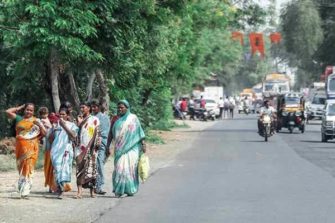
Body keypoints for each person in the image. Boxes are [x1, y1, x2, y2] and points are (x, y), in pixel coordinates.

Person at [6, 103, 46, 197]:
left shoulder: (35, 120)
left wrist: (40, 125)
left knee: (28, 167)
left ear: (33, 112)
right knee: (21, 168)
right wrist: (19, 107)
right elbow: (8, 112)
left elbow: (44, 133)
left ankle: (26, 190)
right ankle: (21, 188)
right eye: (27, 109)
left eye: (31, 110)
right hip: (19, 148)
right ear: (25, 110)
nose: (29, 111)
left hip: (31, 149)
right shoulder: (19, 119)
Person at [109, 100, 146, 197]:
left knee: (127, 169)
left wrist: (143, 143)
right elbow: (112, 135)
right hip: (119, 150)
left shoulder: (133, 118)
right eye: (119, 108)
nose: (120, 109)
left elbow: (140, 132)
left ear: (127, 108)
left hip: (132, 148)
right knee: (119, 169)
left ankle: (129, 189)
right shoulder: (117, 121)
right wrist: (108, 146)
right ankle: (119, 189)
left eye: (122, 107)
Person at [49, 107, 78, 199]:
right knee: (57, 169)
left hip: (66, 150)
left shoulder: (72, 125)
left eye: (63, 114)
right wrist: (52, 130)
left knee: (63, 169)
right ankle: (59, 187)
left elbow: (73, 136)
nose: (61, 116)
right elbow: (50, 138)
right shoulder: (55, 125)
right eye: (60, 114)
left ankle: (61, 190)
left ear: (67, 116)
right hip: (55, 151)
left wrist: (64, 126)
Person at [75, 101, 101, 199]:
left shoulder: (95, 119)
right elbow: (74, 133)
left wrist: (94, 145)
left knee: (91, 169)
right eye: (80, 107)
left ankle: (92, 192)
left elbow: (98, 132)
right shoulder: (77, 119)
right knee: (79, 169)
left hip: (91, 148)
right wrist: (79, 123)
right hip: (80, 148)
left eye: (83, 107)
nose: (81, 109)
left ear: (89, 108)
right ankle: (79, 192)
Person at [91, 99, 110, 195]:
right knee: (94, 164)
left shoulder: (104, 117)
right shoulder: (93, 117)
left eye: (95, 106)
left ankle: (99, 185)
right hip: (93, 143)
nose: (93, 108)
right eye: (92, 106)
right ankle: (94, 185)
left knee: (99, 163)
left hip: (101, 142)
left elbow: (107, 133)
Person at [38, 106, 55, 193]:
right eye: (42, 115)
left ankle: (53, 185)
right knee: (49, 166)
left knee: (52, 166)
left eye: (45, 114)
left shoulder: (51, 120)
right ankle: (50, 186)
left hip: (53, 145)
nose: (44, 116)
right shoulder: (41, 122)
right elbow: (44, 133)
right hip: (48, 145)